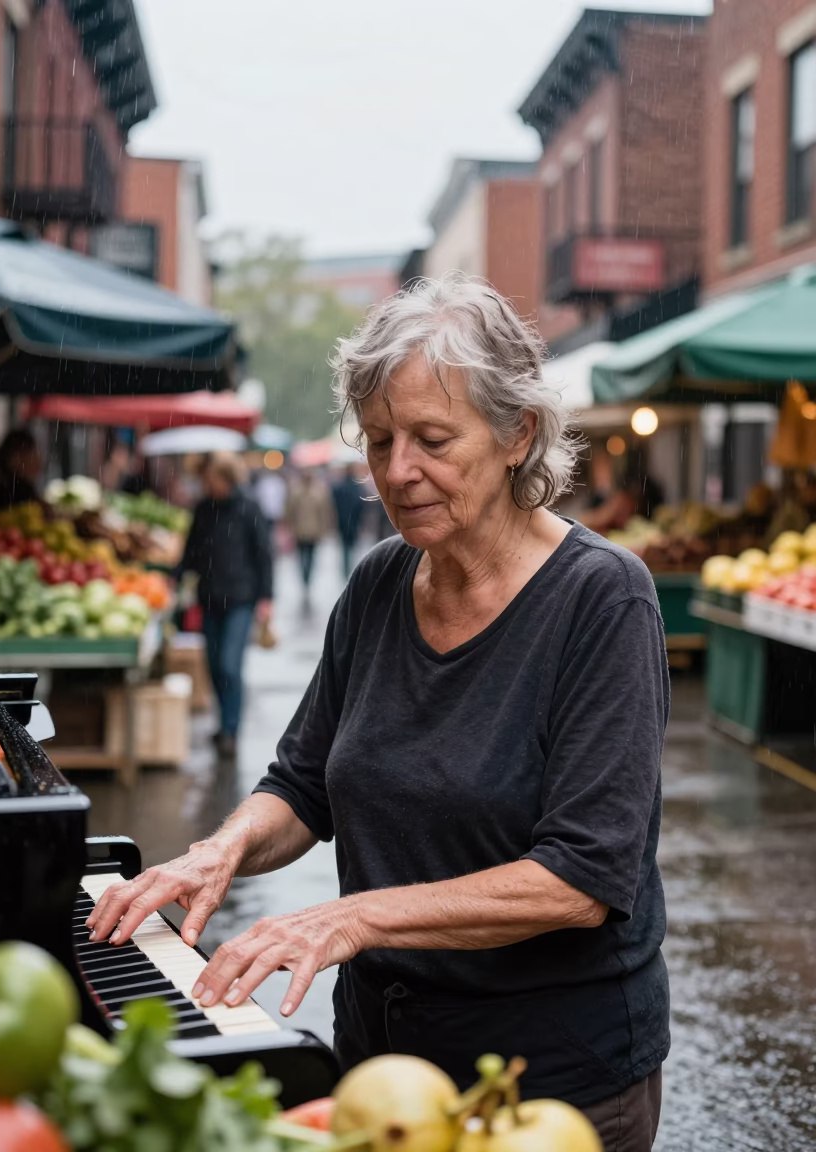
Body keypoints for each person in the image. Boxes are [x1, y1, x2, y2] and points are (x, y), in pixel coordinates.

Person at [87, 276, 669, 1152]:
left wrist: (348, 917)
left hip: (547, 1082)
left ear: (518, 434)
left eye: (433, 440)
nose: (398, 472)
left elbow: (582, 878)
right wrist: (219, 852)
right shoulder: (378, 583)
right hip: (381, 1063)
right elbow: (303, 784)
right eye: (381, 440)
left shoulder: (603, 599)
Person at [175, 452, 273, 758]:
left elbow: (264, 556)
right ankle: (223, 724)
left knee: (231, 665)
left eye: (211, 480)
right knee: (214, 666)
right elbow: (190, 553)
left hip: (241, 601)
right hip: (209, 599)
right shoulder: (203, 509)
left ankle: (230, 729)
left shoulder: (249, 508)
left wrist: (267, 598)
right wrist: (173, 578)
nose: (206, 485)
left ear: (226, 478)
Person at [283, 468, 334, 600]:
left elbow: (325, 512)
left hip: (313, 531)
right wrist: (289, 526)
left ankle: (307, 577)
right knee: (302, 557)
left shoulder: (319, 491)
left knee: (310, 557)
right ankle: (305, 578)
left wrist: (324, 528)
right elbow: (290, 511)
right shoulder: (296, 492)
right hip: (299, 531)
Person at [331, 464, 367, 579]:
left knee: (345, 547)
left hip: (343, 521)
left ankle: (346, 569)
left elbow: (334, 505)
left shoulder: (339, 487)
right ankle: (350, 568)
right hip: (353, 521)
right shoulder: (357, 487)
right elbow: (361, 505)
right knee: (351, 546)